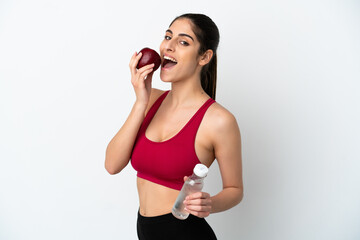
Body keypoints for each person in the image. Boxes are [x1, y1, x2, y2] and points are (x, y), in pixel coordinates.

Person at [105, 13, 243, 240]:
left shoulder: (219, 120)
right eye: (167, 36)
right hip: (145, 230)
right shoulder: (150, 101)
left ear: (204, 57)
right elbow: (112, 164)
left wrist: (210, 203)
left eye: (183, 42)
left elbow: (235, 190)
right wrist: (141, 101)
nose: (168, 46)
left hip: (185, 233)